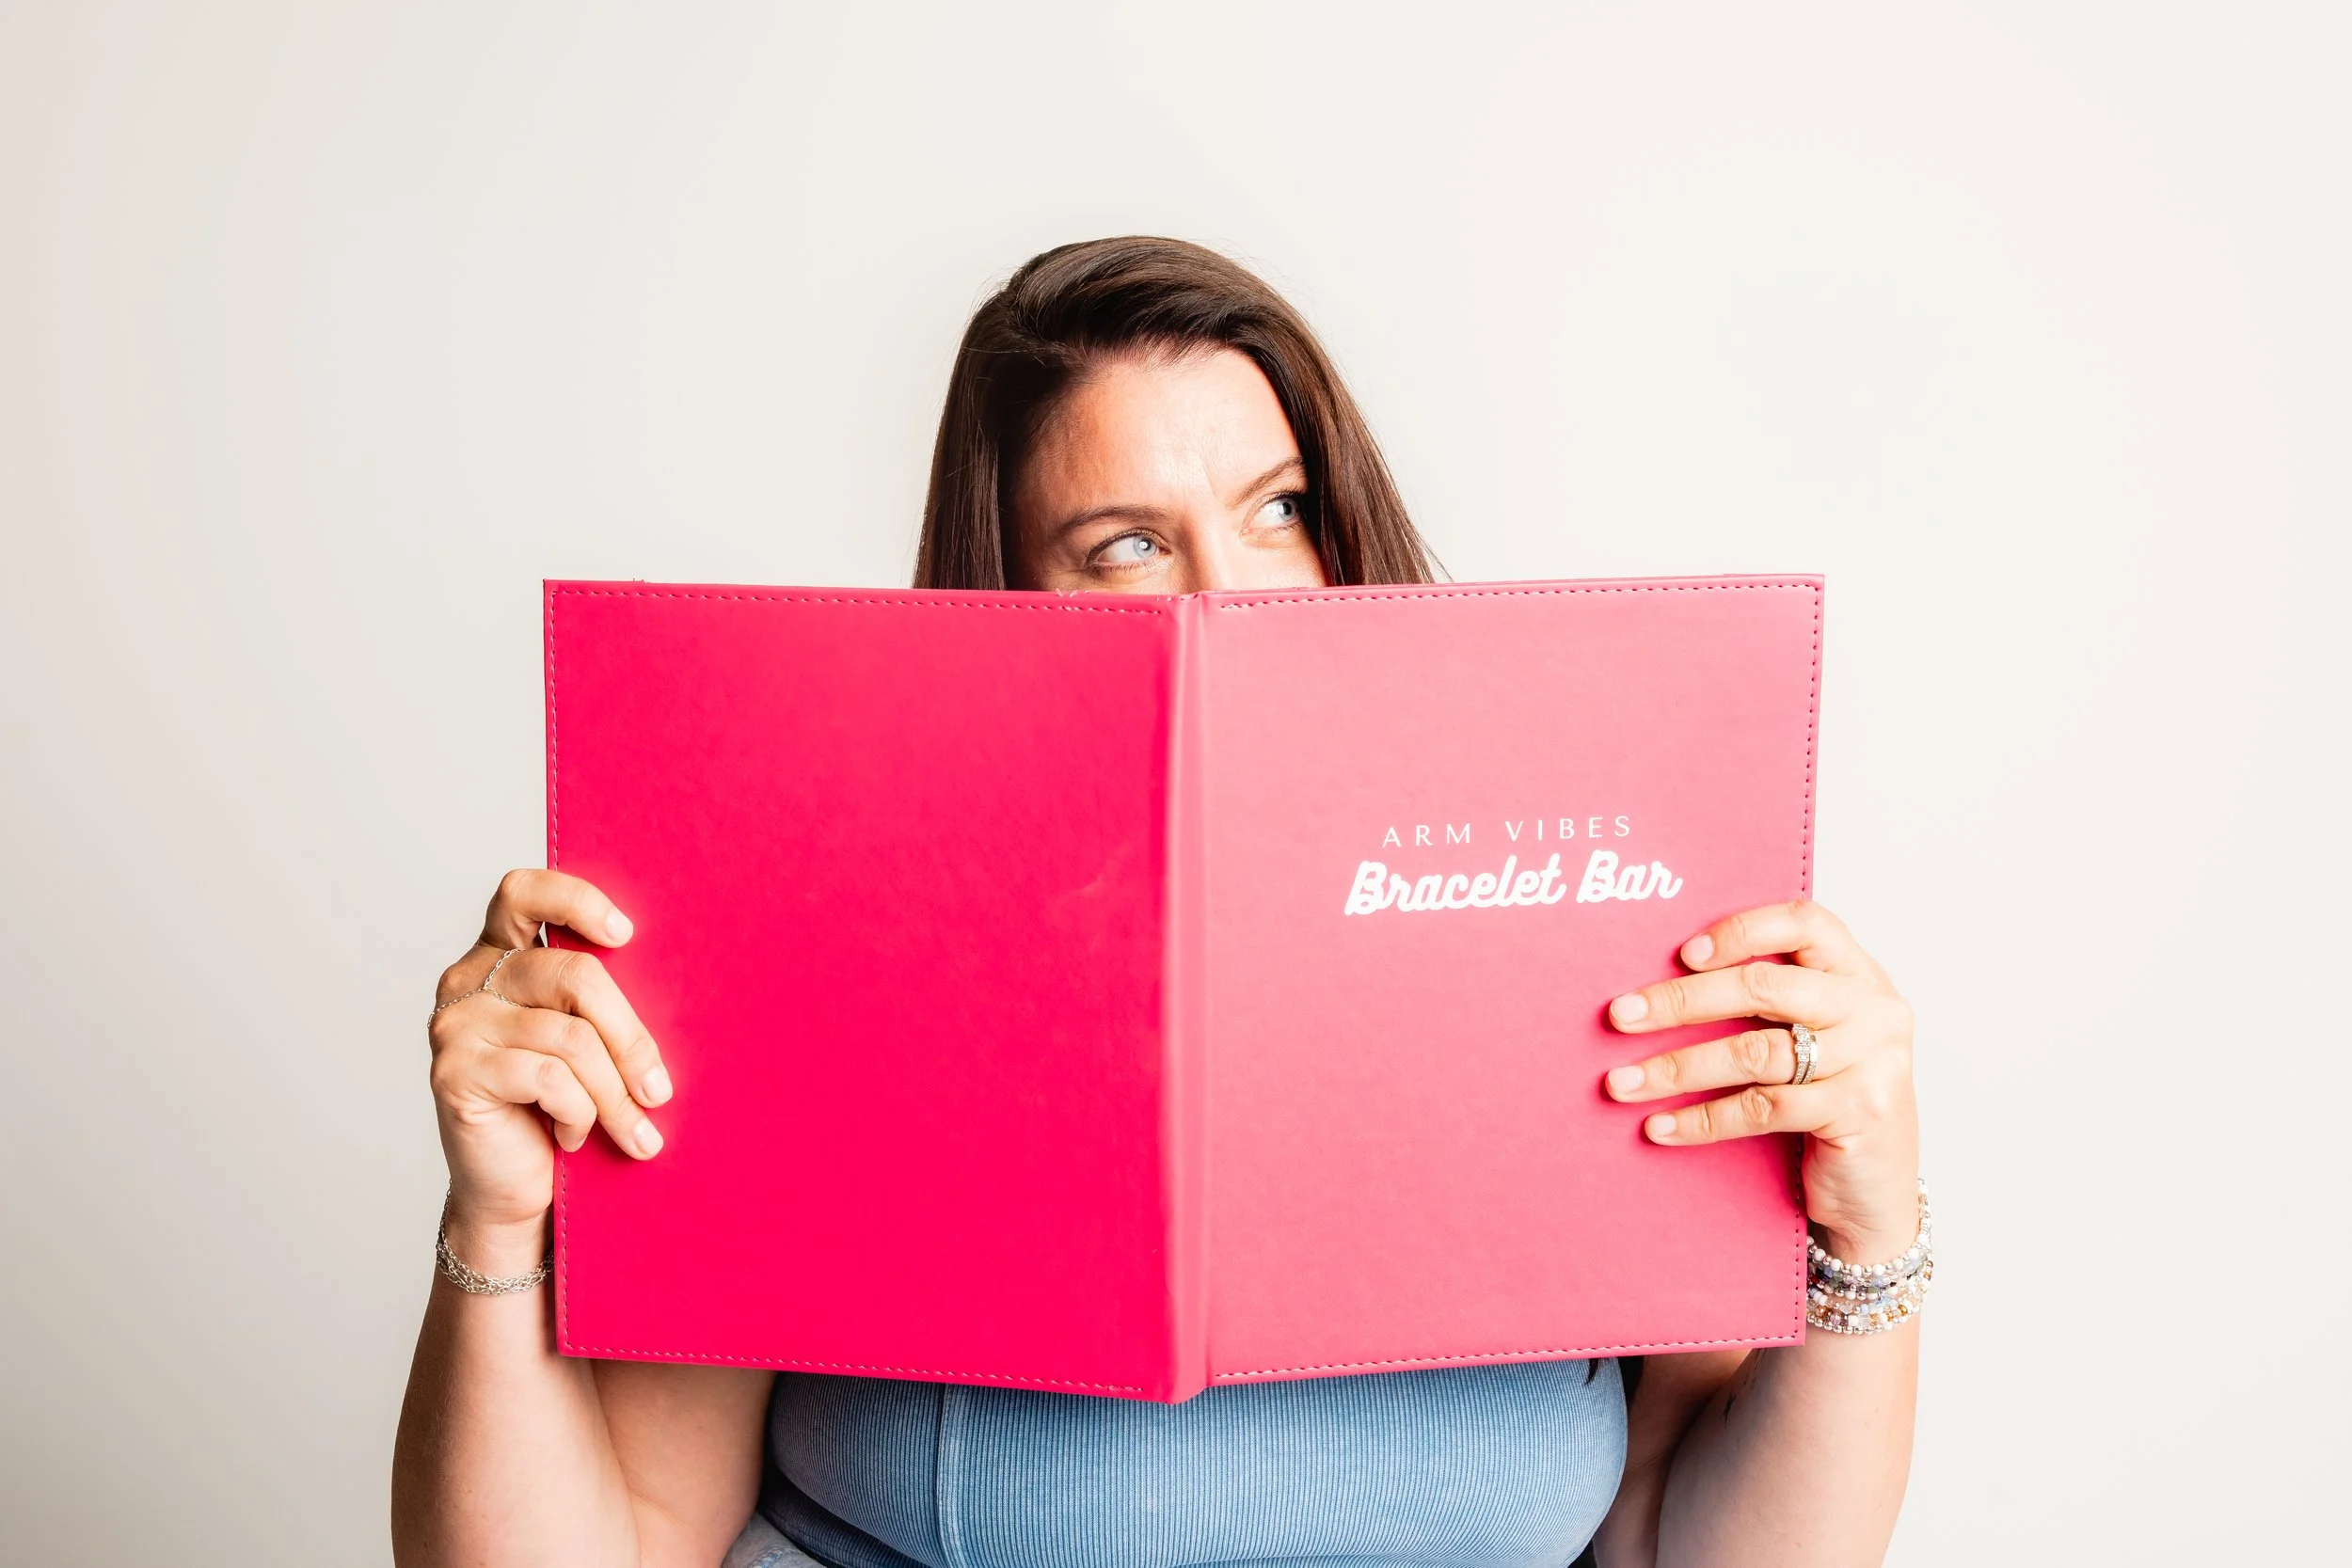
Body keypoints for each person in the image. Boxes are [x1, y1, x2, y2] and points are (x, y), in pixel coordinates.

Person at [391, 237, 1925, 1568]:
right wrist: (502, 1221)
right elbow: (616, 1538)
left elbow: (1687, 1535)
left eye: (1279, 507)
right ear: (1002, 599)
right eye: (1125, 543)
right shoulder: (819, 948)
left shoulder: (1577, 912)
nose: (1234, 591)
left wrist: (1865, 1226)